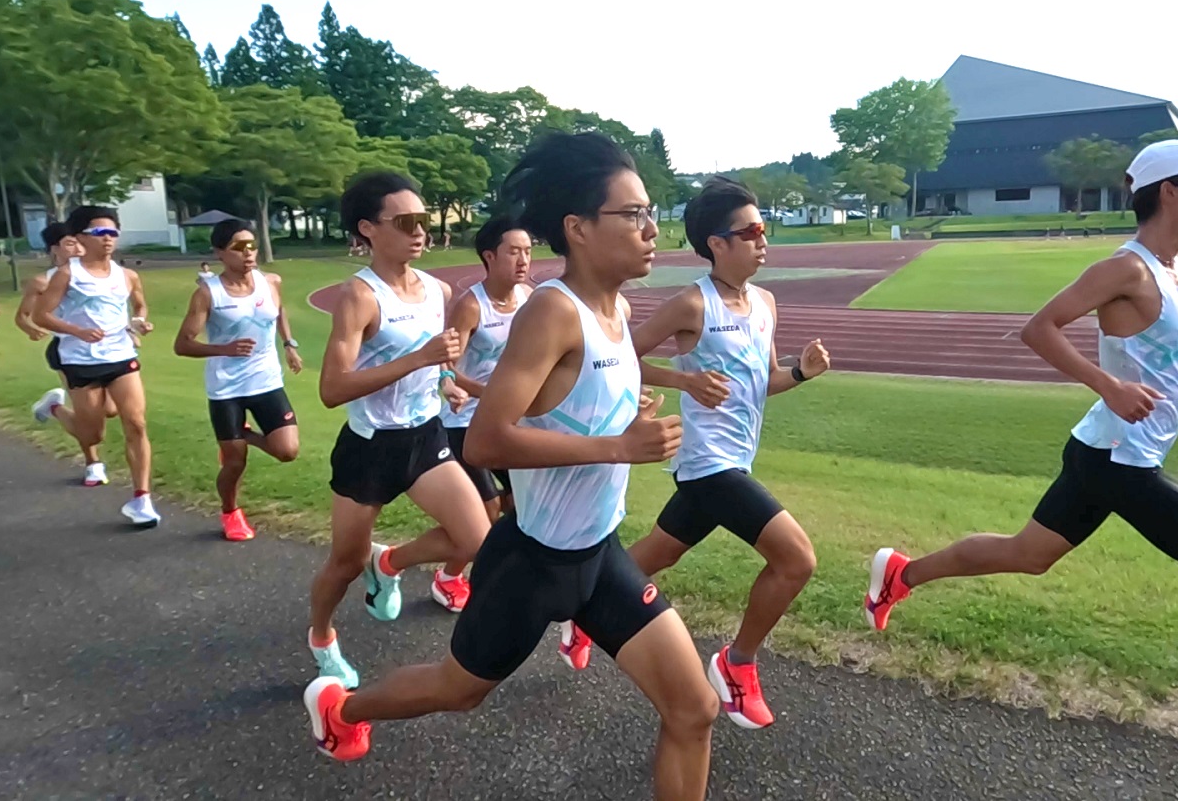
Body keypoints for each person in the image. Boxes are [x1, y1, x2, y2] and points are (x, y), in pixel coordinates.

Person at [862, 140, 1178, 793]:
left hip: (1106, 450)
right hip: (1119, 461)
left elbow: (1155, 345)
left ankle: (902, 574)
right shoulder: (1124, 269)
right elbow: (1039, 328)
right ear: (1170, 191)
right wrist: (1107, 386)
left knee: (1028, 553)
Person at [303, 133, 718, 801]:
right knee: (458, 691)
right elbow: (487, 443)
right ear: (578, 229)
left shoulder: (618, 310)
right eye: (632, 214)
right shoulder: (554, 312)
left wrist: (625, 414)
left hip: (600, 556)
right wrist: (616, 447)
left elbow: (570, 406)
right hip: (535, 564)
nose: (652, 229)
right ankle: (339, 710)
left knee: (693, 709)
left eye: (651, 212)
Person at [558, 176, 830, 732]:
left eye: (764, 229)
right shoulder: (690, 304)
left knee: (658, 554)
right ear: (716, 243)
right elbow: (618, 354)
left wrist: (801, 372)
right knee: (796, 558)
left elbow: (763, 383)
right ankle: (736, 664)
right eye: (750, 231)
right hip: (708, 461)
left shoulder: (765, 303)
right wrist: (682, 381)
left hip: (736, 458)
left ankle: (584, 612)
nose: (762, 240)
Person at [305, 172, 492, 688]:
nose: (421, 232)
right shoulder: (359, 297)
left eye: (424, 221)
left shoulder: (438, 289)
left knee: (476, 538)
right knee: (343, 564)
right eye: (407, 222)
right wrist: (420, 359)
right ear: (368, 228)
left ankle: (389, 562)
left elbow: (439, 360)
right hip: (370, 448)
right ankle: (321, 637)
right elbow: (332, 388)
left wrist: (446, 379)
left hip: (424, 434)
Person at [172, 219, 305, 542]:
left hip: (266, 381)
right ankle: (230, 511)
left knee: (287, 450)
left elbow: (279, 310)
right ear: (220, 253)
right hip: (226, 388)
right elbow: (183, 344)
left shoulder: (270, 281)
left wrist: (289, 344)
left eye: (252, 245)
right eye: (238, 248)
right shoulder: (208, 293)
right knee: (234, 463)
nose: (248, 254)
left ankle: (242, 434)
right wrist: (224, 349)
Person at [32, 206, 159, 526]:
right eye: (100, 233)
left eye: (113, 233)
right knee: (93, 436)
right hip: (81, 361)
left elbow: (139, 304)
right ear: (79, 238)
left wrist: (139, 321)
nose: (108, 239)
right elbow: (40, 316)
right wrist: (77, 331)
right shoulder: (67, 275)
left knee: (137, 423)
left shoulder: (127, 275)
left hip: (120, 356)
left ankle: (141, 500)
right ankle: (55, 408)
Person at [439, 213, 534, 529]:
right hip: (464, 421)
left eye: (528, 251)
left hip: (507, 418)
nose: (523, 260)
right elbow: (446, 366)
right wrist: (490, 394)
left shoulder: (528, 298)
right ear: (489, 256)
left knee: (524, 498)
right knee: (488, 506)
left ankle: (506, 564)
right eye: (514, 251)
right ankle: (447, 571)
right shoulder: (472, 306)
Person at [21, 224, 119, 484]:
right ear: (54, 249)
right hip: (67, 352)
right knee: (88, 417)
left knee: (110, 410)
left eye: (79, 243)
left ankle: (53, 407)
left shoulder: (94, 275)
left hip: (104, 350)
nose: (77, 248)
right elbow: (23, 316)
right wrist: (31, 330)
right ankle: (93, 463)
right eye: (69, 244)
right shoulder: (43, 281)